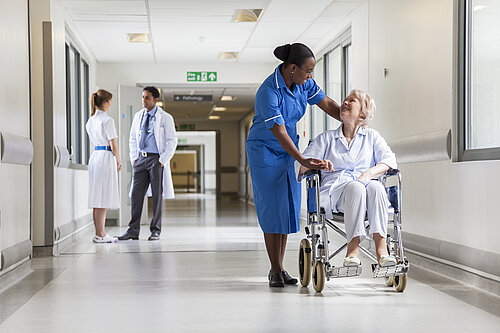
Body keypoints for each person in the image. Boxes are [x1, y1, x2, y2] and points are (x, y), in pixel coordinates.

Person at [246, 43, 341, 288]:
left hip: (289, 148)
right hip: (265, 149)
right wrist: (301, 159)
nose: (311, 76)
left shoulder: (303, 84)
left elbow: (326, 102)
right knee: (271, 206)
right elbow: (277, 130)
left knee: (286, 206)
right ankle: (274, 270)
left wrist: (349, 117)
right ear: (291, 68)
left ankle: (280, 268)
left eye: (312, 71)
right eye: (308, 71)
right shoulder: (268, 91)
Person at [296, 89, 398, 267]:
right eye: (345, 100)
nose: (345, 103)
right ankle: (353, 249)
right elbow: (300, 165)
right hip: (336, 194)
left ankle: (381, 249)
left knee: (376, 187)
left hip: (368, 192)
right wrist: (316, 164)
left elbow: (389, 161)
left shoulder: (372, 137)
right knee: (356, 187)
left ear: (363, 114)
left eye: (352, 101)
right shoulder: (326, 139)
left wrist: (368, 174)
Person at [118, 86, 177, 241]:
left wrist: (163, 160)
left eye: (147, 98)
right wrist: (133, 158)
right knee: (136, 195)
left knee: (157, 196)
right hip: (140, 159)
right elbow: (132, 138)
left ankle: (155, 230)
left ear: (155, 100)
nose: (143, 100)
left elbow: (172, 141)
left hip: (156, 160)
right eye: (143, 97)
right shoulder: (138, 116)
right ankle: (133, 230)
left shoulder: (165, 117)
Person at [85, 89, 121, 243]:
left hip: (95, 157)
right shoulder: (108, 120)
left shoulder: (90, 120)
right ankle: (101, 234)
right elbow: (113, 144)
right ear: (105, 103)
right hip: (106, 157)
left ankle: (99, 232)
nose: (111, 104)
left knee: (97, 196)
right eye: (110, 101)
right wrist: (118, 160)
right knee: (103, 196)